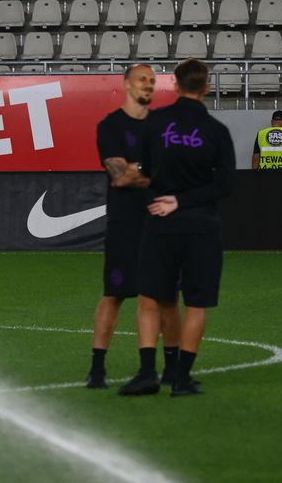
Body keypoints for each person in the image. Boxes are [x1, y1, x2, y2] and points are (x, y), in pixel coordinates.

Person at [119, 59, 236, 397]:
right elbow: (226, 184)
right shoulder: (216, 131)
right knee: (196, 304)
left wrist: (161, 198)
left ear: (175, 85)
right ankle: (181, 378)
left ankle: (146, 373)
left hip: (160, 224)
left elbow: (140, 170)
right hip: (201, 227)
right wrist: (183, 201)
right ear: (207, 88)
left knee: (150, 299)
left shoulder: (154, 122)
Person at [86, 65, 181, 388]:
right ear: (126, 84)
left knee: (166, 296)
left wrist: (138, 169)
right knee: (114, 294)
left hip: (161, 221)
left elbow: (169, 172)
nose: (148, 85)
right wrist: (148, 170)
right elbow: (120, 176)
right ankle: (97, 368)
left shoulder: (163, 126)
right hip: (125, 223)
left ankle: (169, 368)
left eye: (153, 81)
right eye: (142, 79)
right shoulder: (110, 126)